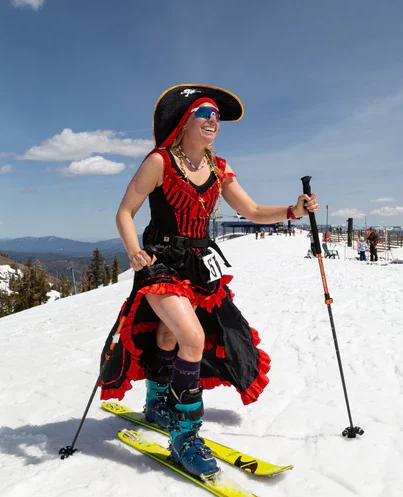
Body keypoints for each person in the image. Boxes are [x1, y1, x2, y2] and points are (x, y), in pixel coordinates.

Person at [99, 84, 319, 478]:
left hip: (199, 263)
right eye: (205, 112)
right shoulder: (160, 161)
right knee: (193, 338)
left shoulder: (220, 167)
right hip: (161, 262)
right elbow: (124, 212)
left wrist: (292, 210)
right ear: (185, 121)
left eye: (217, 115)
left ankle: (155, 402)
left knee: (170, 335)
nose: (214, 120)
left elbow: (250, 210)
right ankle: (185, 435)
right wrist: (135, 252)